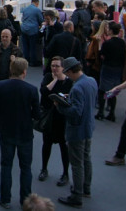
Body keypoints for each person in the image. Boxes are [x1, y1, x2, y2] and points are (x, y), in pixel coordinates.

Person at [0, 57, 40, 209]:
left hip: (6, 131)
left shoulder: (0, 86)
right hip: (25, 132)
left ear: (11, 70)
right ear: (24, 72)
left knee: (6, 165)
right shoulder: (31, 90)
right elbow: (37, 115)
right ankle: (26, 199)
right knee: (26, 168)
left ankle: (5, 198)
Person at [55, 57, 98, 207]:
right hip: (88, 126)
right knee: (87, 158)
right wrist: (71, 98)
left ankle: (76, 195)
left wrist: (60, 106)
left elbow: (75, 111)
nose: (67, 75)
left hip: (77, 129)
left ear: (71, 70)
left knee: (76, 163)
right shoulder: (91, 81)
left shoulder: (77, 88)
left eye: (67, 72)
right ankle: (86, 188)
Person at [37, 56, 72, 187]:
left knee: (64, 147)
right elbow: (43, 91)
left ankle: (65, 173)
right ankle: (44, 169)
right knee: (47, 144)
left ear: (63, 68)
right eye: (52, 66)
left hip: (62, 119)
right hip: (49, 118)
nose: (54, 68)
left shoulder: (69, 82)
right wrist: (55, 80)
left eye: (57, 66)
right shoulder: (48, 77)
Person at [0, 28, 24, 134]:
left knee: (11, 104)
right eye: (3, 36)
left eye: (6, 36)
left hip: (11, 81)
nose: (4, 38)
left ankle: (8, 125)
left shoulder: (17, 51)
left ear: (11, 37)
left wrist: (14, 61)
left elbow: (22, 67)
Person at [96, 22, 126, 121]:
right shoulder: (122, 43)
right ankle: (112, 113)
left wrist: (100, 44)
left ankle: (101, 111)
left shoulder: (107, 43)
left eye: (108, 28)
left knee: (102, 90)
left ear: (111, 30)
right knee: (113, 91)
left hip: (107, 67)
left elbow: (101, 55)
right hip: (118, 68)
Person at [21, 0, 45, 67]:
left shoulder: (25, 9)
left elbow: (22, 19)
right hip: (32, 30)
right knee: (32, 46)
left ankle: (26, 60)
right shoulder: (37, 10)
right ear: (37, 3)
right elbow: (41, 20)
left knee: (25, 46)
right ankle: (33, 61)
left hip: (24, 29)